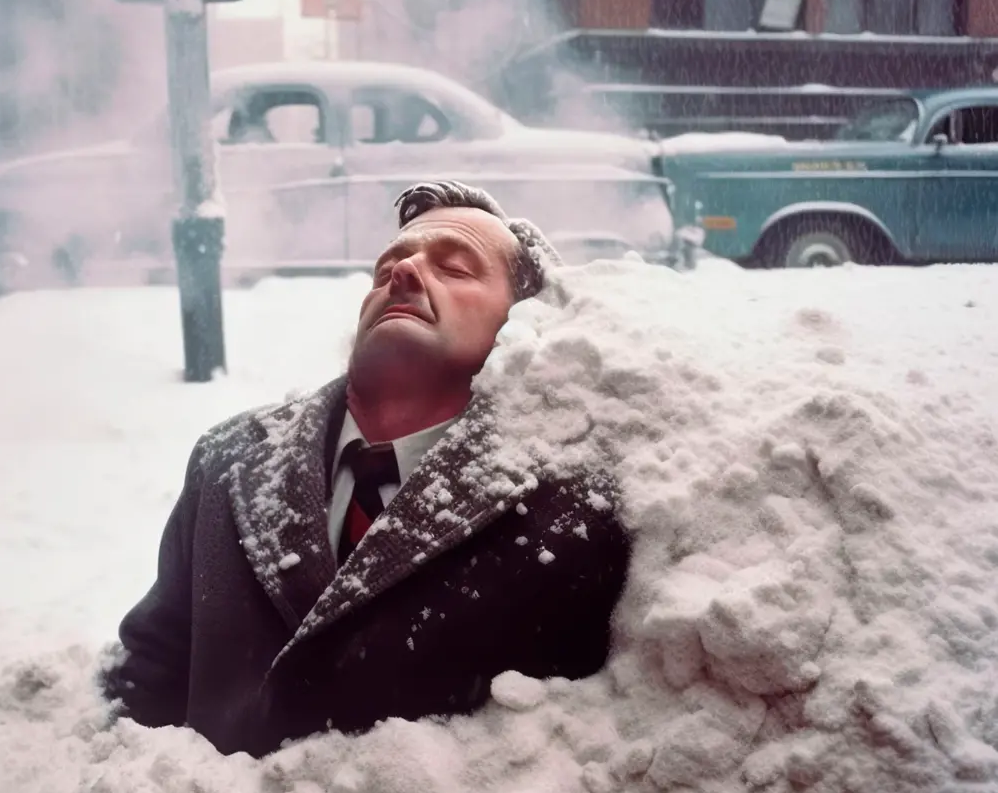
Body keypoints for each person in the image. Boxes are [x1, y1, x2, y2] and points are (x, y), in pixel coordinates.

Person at [103, 181, 632, 758]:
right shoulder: (227, 457)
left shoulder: (573, 507)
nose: (402, 275)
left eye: (454, 270)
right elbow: (151, 665)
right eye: (388, 269)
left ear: (524, 328)